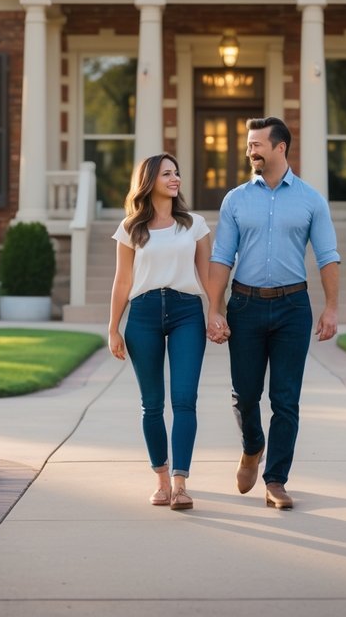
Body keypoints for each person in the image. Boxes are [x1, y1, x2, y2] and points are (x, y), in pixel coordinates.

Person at [206, 117, 340, 510]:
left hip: (292, 307)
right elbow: (220, 258)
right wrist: (214, 308)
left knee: (286, 399)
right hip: (245, 305)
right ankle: (252, 447)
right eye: (249, 145)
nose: (250, 151)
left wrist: (331, 307)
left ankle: (276, 480)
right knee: (245, 394)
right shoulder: (235, 200)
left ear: (280, 147)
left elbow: (328, 257)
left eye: (257, 145)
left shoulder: (312, 200)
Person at [108, 153, 217, 511]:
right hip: (143, 315)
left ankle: (181, 483)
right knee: (152, 404)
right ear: (149, 179)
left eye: (177, 173)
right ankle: (161, 479)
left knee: (185, 399)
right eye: (167, 173)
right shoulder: (131, 228)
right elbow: (123, 280)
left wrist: (216, 312)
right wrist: (113, 327)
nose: (175, 179)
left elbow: (207, 276)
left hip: (187, 312)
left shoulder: (195, 225)